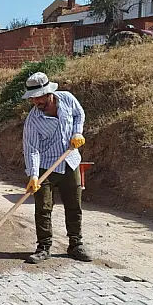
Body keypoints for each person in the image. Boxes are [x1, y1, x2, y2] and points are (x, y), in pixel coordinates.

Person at [21, 72, 92, 264]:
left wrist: (77, 132)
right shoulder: (33, 121)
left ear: (49, 93)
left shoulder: (67, 99)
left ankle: (75, 244)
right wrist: (34, 175)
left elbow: (79, 114)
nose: (36, 101)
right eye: (33, 98)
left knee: (74, 206)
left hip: (70, 162)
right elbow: (31, 149)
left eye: (39, 97)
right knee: (43, 208)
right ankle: (44, 247)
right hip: (46, 167)